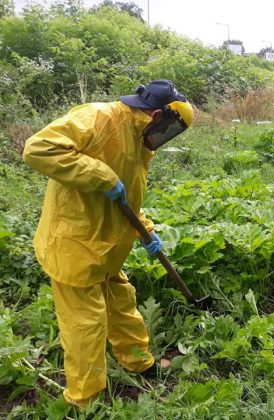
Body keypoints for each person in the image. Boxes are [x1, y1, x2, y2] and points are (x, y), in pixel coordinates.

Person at [22, 80, 194, 409]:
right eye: (170, 127)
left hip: (107, 246)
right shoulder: (98, 118)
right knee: (86, 324)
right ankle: (83, 402)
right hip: (73, 245)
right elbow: (38, 148)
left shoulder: (140, 140)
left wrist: (146, 230)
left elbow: (126, 196)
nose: (165, 136)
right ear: (156, 115)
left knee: (121, 302)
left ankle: (138, 362)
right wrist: (100, 175)